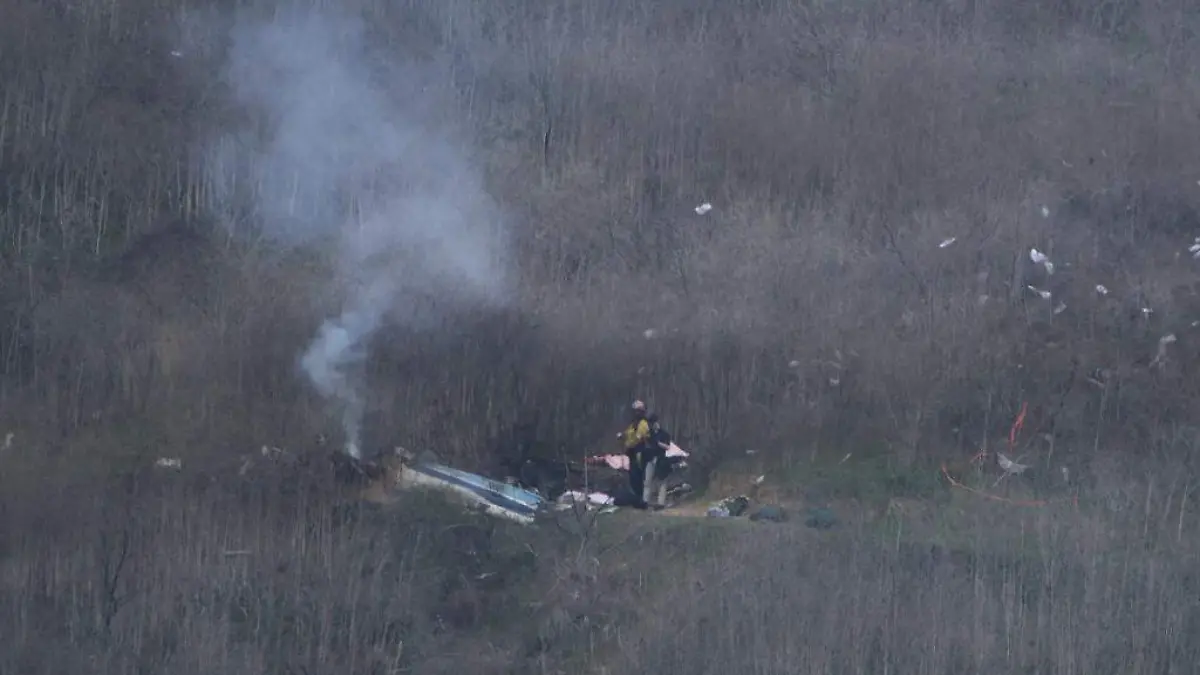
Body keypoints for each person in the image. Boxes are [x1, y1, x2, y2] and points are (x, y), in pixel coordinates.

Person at [619, 400, 651, 508]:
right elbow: (628, 434)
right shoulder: (633, 424)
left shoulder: (643, 424)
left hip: (640, 451)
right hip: (632, 453)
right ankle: (636, 498)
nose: (636, 413)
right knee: (633, 476)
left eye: (638, 411)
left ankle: (641, 499)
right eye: (635, 411)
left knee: (638, 476)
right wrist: (622, 436)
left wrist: (630, 443)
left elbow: (639, 437)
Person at [643, 413, 674, 509]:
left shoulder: (664, 434)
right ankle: (645, 502)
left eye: (653, 423)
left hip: (661, 459)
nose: (652, 425)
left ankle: (661, 503)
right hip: (651, 459)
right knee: (647, 481)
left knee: (662, 481)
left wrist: (659, 443)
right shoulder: (649, 434)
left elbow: (668, 447)